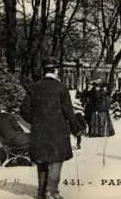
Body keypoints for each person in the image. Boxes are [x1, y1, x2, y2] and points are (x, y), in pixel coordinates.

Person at [20, 57, 82, 199]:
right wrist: (76, 128)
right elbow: (69, 111)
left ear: (44, 70)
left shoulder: (33, 87)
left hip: (39, 131)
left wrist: (35, 121)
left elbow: (24, 110)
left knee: (42, 159)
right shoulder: (61, 87)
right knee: (56, 159)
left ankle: (42, 192)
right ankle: (51, 191)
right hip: (58, 131)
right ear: (55, 70)